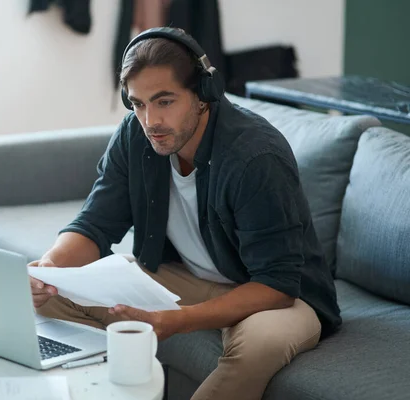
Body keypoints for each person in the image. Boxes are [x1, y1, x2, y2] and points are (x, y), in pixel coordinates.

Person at [29, 27, 341, 400]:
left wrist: (176, 322)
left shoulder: (256, 157)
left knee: (261, 343)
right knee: (53, 297)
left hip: (275, 294)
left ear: (203, 95)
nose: (150, 121)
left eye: (165, 101)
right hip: (185, 278)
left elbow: (277, 284)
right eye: (139, 103)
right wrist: (48, 270)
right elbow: (94, 224)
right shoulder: (135, 136)